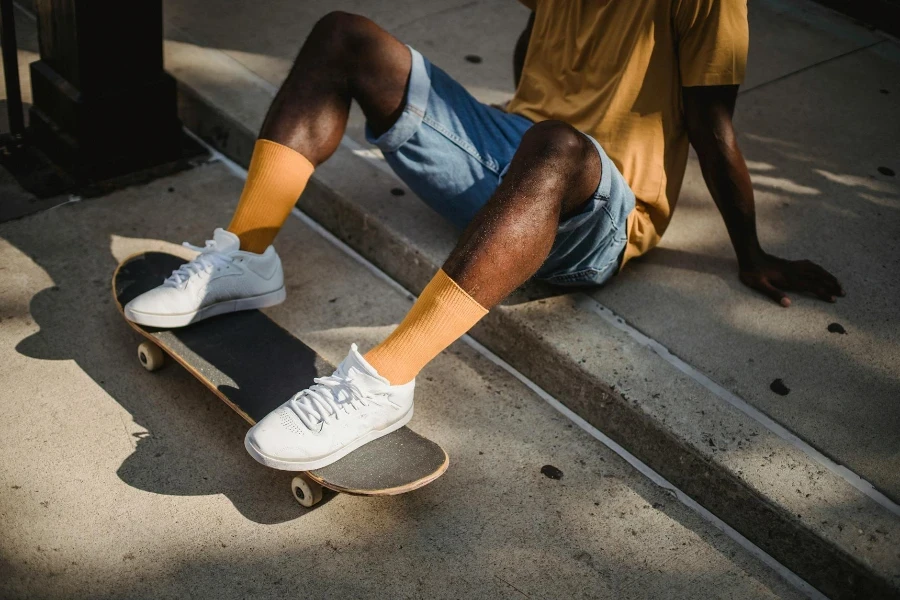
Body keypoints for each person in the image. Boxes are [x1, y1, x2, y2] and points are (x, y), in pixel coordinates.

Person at [124, 1, 843, 471]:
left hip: (597, 211)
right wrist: (505, 129)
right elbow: (535, 53)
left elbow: (713, 127)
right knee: (344, 36)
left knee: (557, 144)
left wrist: (752, 255)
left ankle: (383, 383)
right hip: (514, 157)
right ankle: (247, 255)